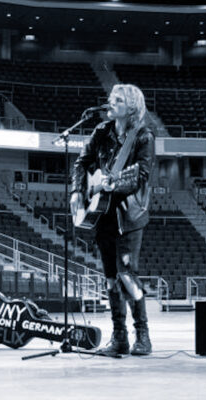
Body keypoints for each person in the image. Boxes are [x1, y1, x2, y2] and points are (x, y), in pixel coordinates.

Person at [70, 84, 155, 356]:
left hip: (130, 215)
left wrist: (112, 186)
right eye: (111, 98)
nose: (110, 102)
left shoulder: (142, 136)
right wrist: (77, 190)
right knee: (109, 278)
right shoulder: (102, 131)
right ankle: (119, 337)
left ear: (131, 107)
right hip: (101, 214)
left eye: (118, 100)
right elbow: (81, 163)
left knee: (126, 275)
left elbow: (139, 176)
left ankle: (142, 335)